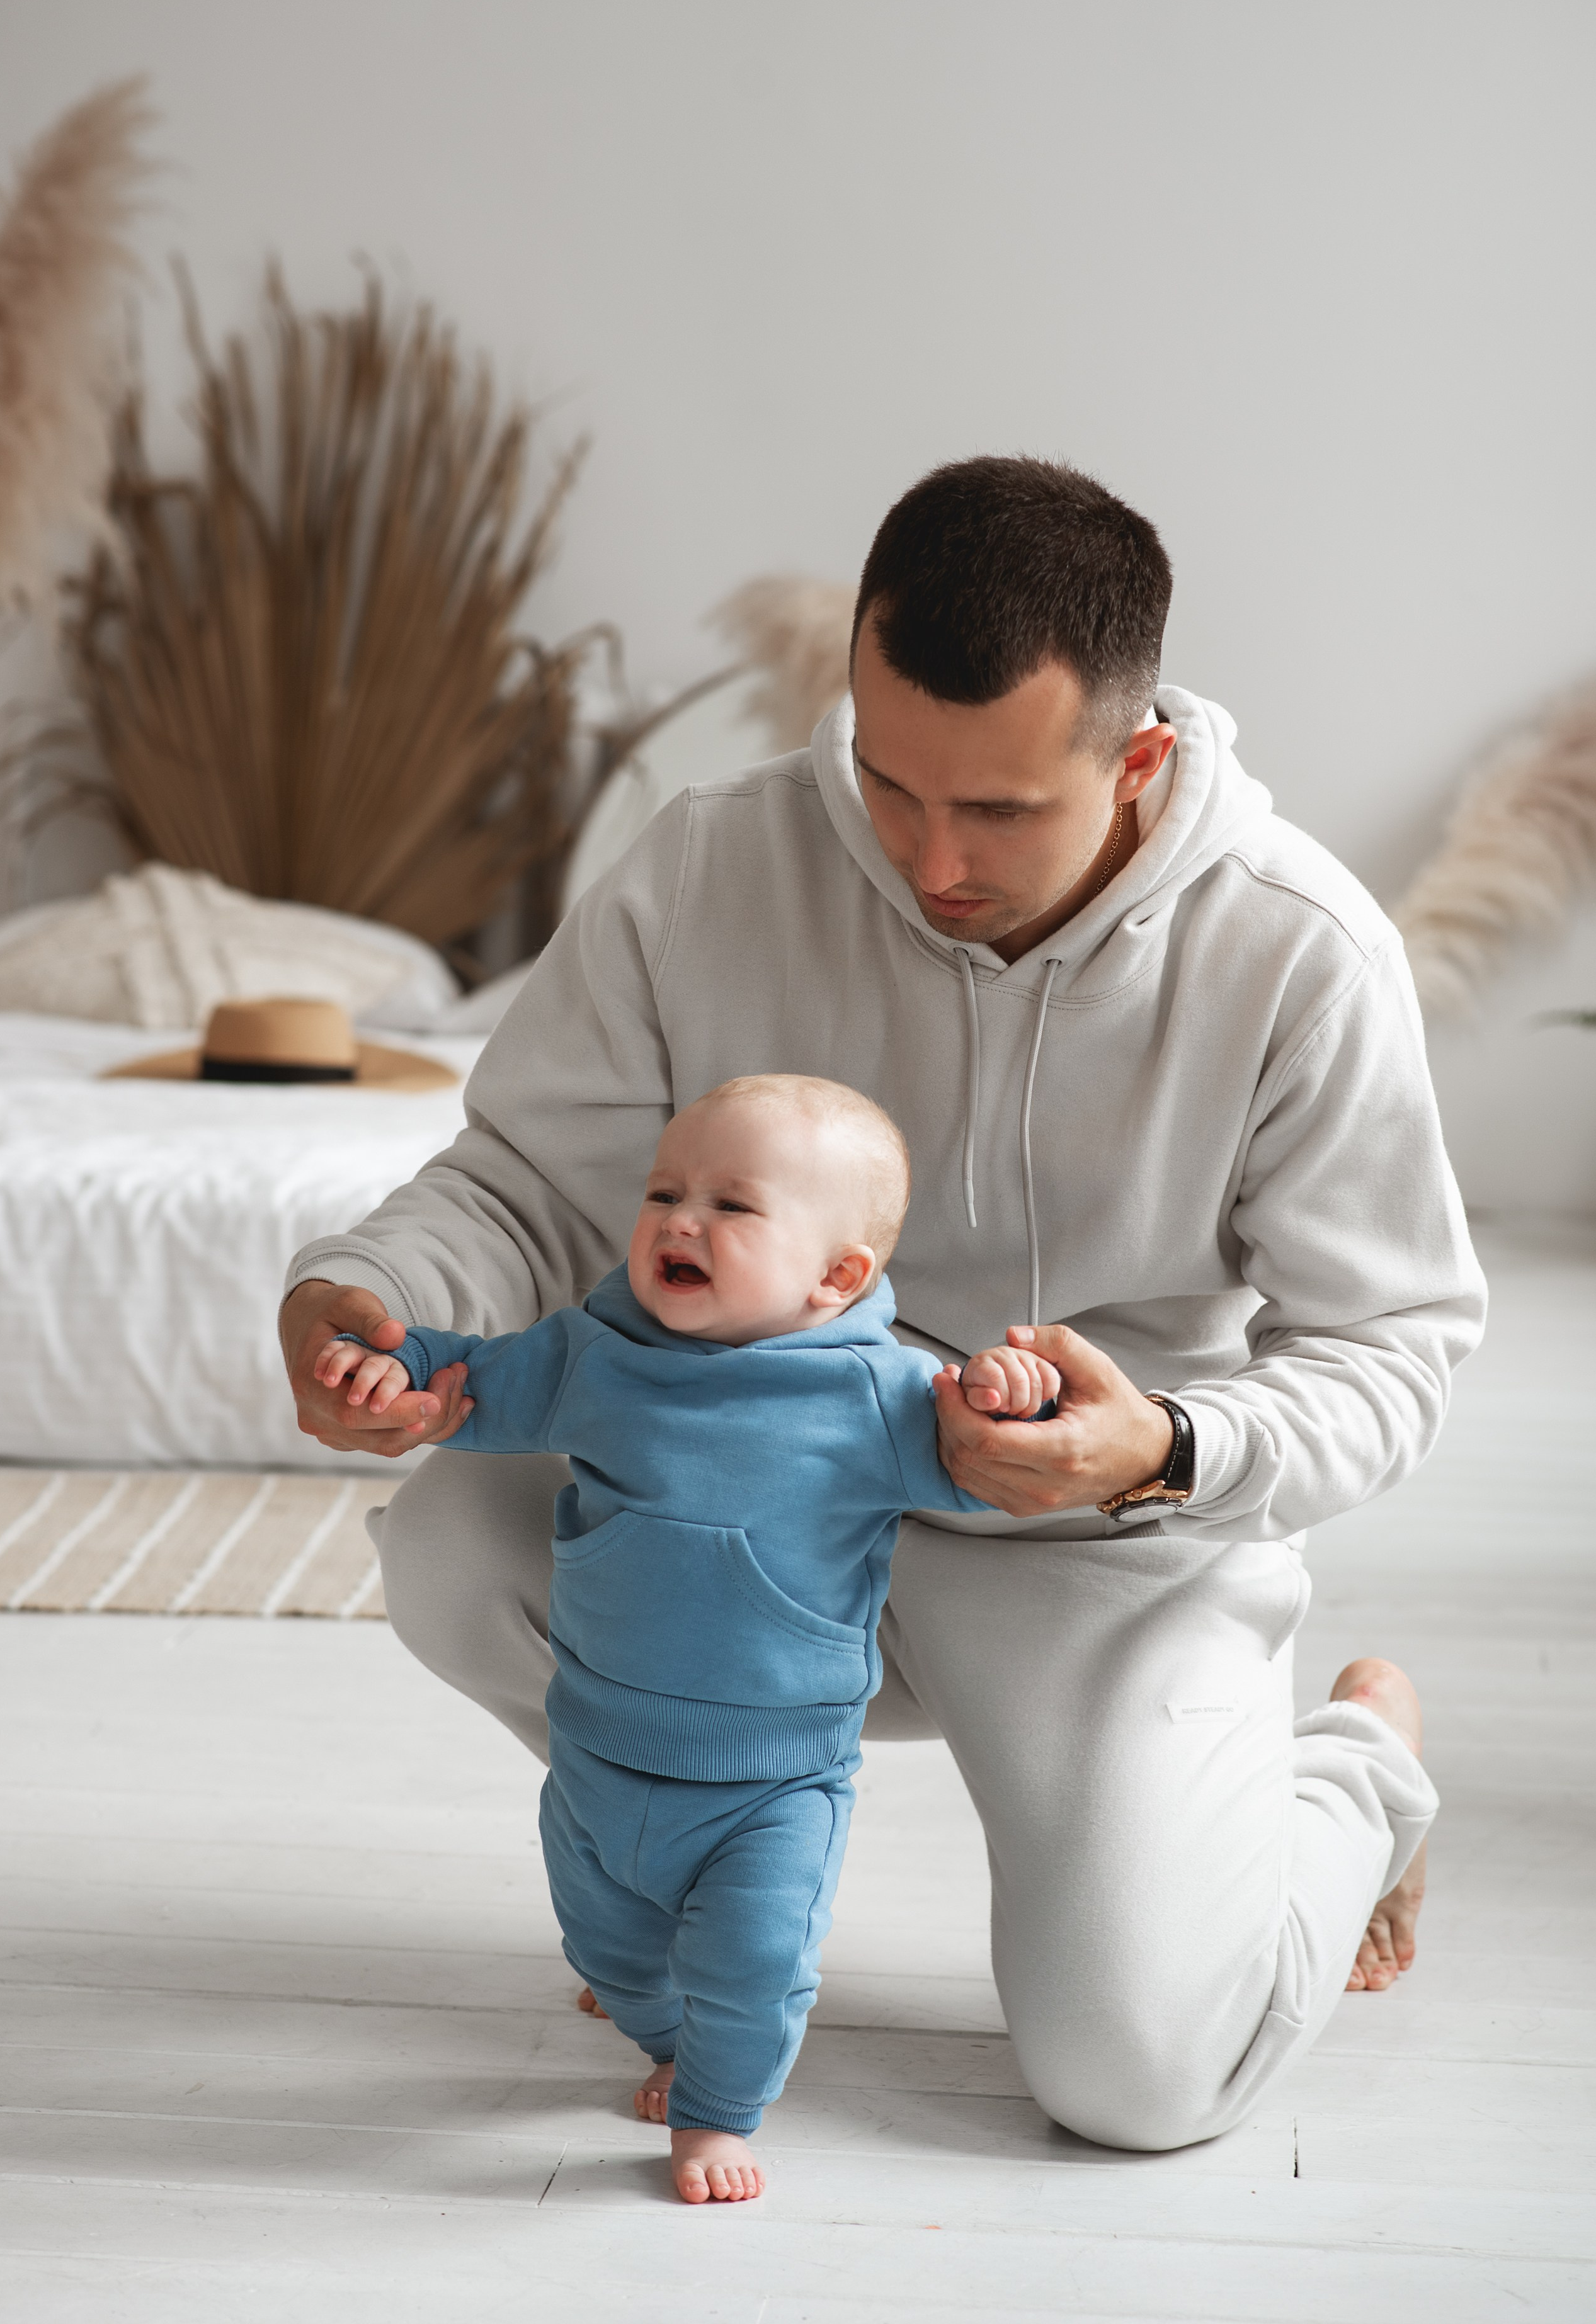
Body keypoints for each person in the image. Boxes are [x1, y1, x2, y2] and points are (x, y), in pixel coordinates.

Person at [281, 455, 1485, 2154]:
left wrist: (1161, 1451)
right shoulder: (711, 866)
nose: (928, 859)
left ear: (1136, 760)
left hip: (1094, 1545)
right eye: (887, 781)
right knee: (456, 1546)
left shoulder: (1297, 952)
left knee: (1135, 2082)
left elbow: (1391, 1347)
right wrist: (364, 1297)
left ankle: (1356, 1759)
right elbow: (523, 1184)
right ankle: (687, 1851)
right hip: (744, 1506)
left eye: (996, 812)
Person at [312, 1072, 1057, 2202]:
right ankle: (660, 2031)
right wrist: (393, 1366)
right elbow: (470, 1378)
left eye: (732, 1205)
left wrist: (1016, 1398)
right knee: (604, 1949)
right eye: (664, 1192)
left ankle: (715, 2112)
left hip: (773, 1778)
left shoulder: (880, 1397)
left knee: (752, 1965)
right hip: (598, 1749)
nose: (678, 1220)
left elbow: (997, 1464)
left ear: (836, 1277)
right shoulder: (595, 1357)